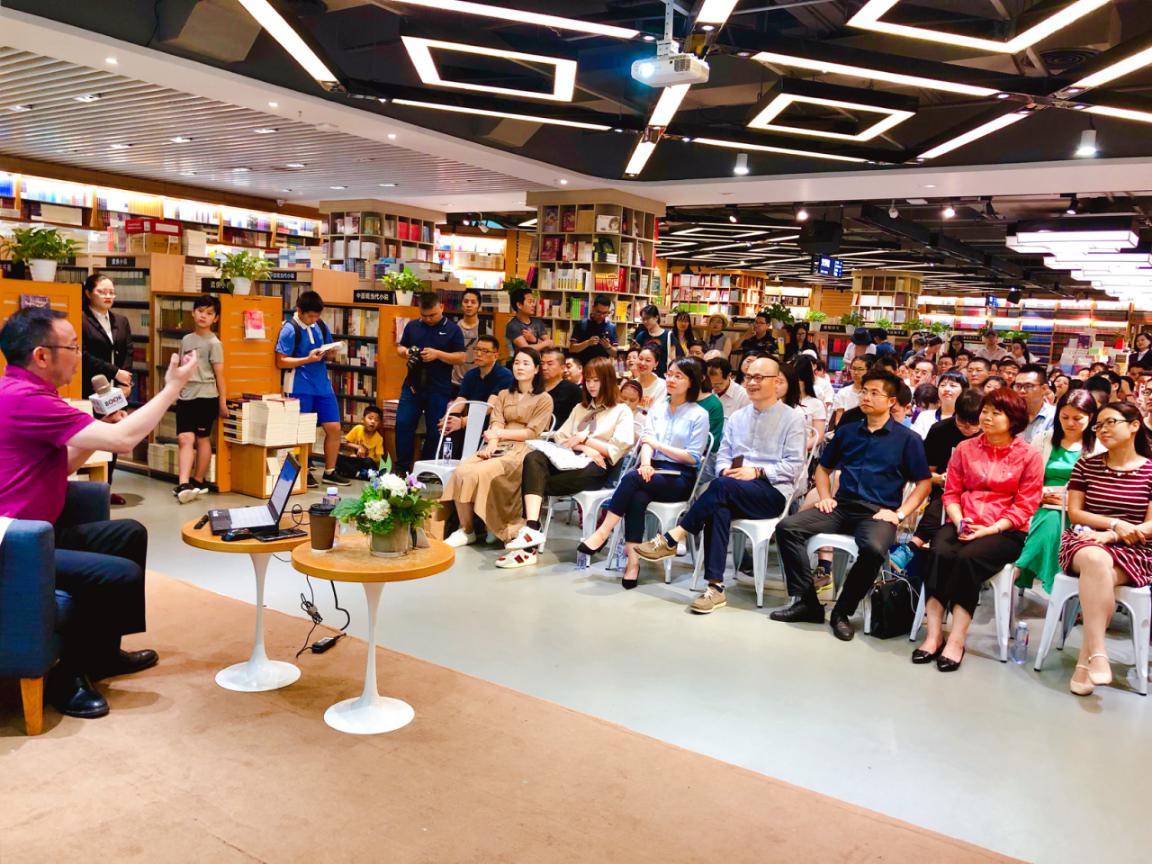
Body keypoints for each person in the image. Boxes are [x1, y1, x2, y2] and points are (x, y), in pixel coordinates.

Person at [0, 307, 198, 718]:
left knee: (129, 533)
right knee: (116, 573)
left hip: (40, 533)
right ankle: (67, 676)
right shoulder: (25, 399)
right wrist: (173, 387)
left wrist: (96, 428)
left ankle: (103, 654)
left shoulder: (27, 394)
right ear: (41, 356)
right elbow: (125, 440)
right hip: (17, 546)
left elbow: (62, 464)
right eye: (72, 347)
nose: (79, 355)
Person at [635, 355, 806, 612]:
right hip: (733, 488)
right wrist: (726, 470)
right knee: (718, 506)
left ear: (776, 381)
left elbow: (794, 466)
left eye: (759, 378)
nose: (751, 383)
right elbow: (723, 456)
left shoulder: (792, 418)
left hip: (771, 492)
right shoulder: (737, 417)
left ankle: (674, 537)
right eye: (748, 377)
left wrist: (757, 472)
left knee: (719, 487)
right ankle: (715, 587)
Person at [771, 370, 932, 639]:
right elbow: (823, 469)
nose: (866, 397)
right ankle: (808, 603)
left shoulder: (908, 439)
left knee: (873, 549)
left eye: (874, 393)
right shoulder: (847, 432)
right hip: (842, 507)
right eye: (864, 391)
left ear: (891, 401)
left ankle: (842, 612)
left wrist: (900, 514)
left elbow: (924, 483)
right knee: (788, 528)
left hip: (878, 513)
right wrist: (825, 496)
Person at [912, 389, 1043, 671]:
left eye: (996, 413)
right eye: (985, 411)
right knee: (938, 551)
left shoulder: (1029, 456)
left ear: (1013, 419)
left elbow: (1026, 505)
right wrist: (959, 520)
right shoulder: (965, 448)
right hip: (964, 520)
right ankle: (933, 635)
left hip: (1006, 530)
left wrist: (990, 529)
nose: (987, 417)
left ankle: (956, 639)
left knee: (967, 558)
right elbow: (951, 493)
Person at [578, 358, 710, 589]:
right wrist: (646, 463)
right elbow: (647, 440)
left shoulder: (699, 414)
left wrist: (659, 447)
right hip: (652, 471)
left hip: (680, 476)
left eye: (679, 376)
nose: (671, 379)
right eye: (669, 374)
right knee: (636, 497)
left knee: (632, 478)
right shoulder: (658, 407)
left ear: (692, 382)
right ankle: (633, 563)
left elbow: (692, 457)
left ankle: (603, 532)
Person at [498, 357, 635, 568]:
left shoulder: (621, 410)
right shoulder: (581, 408)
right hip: (572, 459)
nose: (591, 385)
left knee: (533, 481)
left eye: (596, 380)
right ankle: (532, 529)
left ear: (608, 381)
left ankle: (528, 545)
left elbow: (618, 448)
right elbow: (561, 437)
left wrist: (586, 440)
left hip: (599, 467)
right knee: (534, 458)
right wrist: (584, 446)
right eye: (588, 380)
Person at [1058, 401, 1152, 695]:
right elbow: (1075, 513)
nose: (1102, 430)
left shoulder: (1150, 470)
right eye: (1099, 425)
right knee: (1096, 559)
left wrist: (1113, 535)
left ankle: (1085, 661)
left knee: (1101, 575)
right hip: (1085, 540)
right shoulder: (1087, 465)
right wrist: (1113, 524)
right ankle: (1099, 652)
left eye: (1111, 422)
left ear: (1134, 425)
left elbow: (1150, 525)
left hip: (1134, 549)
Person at [441, 347, 553, 546]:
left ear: (536, 369)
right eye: (517, 363)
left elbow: (531, 432)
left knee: (482, 472)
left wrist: (498, 435)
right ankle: (466, 529)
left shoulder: (544, 399)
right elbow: (496, 422)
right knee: (461, 471)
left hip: (523, 449)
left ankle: (493, 524)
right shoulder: (504, 394)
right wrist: (491, 445)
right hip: (497, 444)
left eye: (526, 363)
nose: (520, 367)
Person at [1014, 390, 1098, 593]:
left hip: (1078, 509)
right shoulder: (1044, 439)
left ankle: (1020, 567)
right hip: (1040, 501)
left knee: (1054, 519)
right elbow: (1027, 478)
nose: (1070, 423)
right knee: (1050, 517)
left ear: (1091, 417)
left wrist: (1072, 500)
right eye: (1065, 417)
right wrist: (1041, 494)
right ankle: (1055, 587)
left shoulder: (1098, 447)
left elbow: (1099, 488)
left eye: (1077, 418)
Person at [275, 290, 350, 487]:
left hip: (322, 385)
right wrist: (307, 359)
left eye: (317, 316)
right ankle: (304, 470)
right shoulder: (289, 329)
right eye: (310, 316)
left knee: (334, 428)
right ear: (299, 310)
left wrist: (331, 353)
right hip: (299, 385)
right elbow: (281, 361)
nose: (314, 320)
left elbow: (327, 351)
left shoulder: (320, 325)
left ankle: (330, 471)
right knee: (303, 430)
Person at [392, 292, 466, 476]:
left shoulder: (453, 329)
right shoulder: (412, 326)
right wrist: (407, 352)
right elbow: (400, 348)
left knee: (435, 431)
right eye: (424, 316)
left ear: (441, 307)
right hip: (412, 386)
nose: (428, 319)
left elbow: (461, 357)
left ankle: (425, 469)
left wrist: (437, 354)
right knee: (403, 424)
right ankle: (401, 469)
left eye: (432, 315)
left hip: (438, 388)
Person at [80, 273, 133, 505]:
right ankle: (89, 491)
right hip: (90, 388)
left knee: (113, 438)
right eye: (102, 291)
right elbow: (84, 355)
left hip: (116, 390)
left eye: (111, 292)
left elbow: (128, 350)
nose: (108, 296)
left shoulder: (121, 320)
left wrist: (124, 382)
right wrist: (115, 372)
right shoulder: (81, 319)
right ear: (88, 293)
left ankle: (106, 488)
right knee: (91, 437)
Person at [909, 387, 984, 552]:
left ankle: (913, 545)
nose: (967, 428)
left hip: (979, 494)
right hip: (944, 490)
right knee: (944, 502)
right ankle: (914, 547)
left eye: (973, 424)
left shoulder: (989, 436)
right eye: (961, 422)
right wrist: (941, 479)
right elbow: (925, 472)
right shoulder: (940, 430)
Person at [173, 295, 227, 503]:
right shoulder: (186, 340)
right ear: (193, 313)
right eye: (201, 311)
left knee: (202, 438)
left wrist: (222, 402)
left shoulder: (215, 343)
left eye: (209, 313)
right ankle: (183, 483)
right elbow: (181, 368)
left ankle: (198, 479)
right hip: (185, 396)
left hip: (206, 397)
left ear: (216, 318)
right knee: (184, 438)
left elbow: (220, 375)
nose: (204, 316)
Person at [912, 371, 966, 439]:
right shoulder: (924, 416)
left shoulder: (966, 418)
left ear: (964, 390)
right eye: (942, 385)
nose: (946, 389)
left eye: (952, 386)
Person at [337, 405, 385, 479]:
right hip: (355, 460)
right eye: (370, 418)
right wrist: (358, 447)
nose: (373, 422)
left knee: (368, 461)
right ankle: (359, 474)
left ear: (379, 424)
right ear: (363, 419)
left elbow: (378, 459)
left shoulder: (379, 438)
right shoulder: (358, 428)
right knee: (337, 458)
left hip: (367, 463)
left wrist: (366, 456)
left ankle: (356, 473)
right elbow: (343, 442)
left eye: (376, 420)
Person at [568, 294, 618, 365]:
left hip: (602, 368)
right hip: (583, 366)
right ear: (593, 308)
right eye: (598, 312)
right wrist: (587, 343)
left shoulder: (611, 327)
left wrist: (608, 347)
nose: (601, 316)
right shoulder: (581, 324)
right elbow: (572, 349)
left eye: (605, 313)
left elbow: (615, 354)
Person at [1012, 363, 1055, 444]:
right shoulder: (1009, 414)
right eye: (1018, 386)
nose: (1022, 391)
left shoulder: (1054, 416)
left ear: (1044, 389)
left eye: (1028, 386)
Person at [540, 346, 581, 428]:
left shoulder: (573, 390)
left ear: (562, 368)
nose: (544, 368)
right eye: (542, 364)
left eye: (550, 364)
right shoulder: (534, 388)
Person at [793, 355, 828, 451]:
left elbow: (818, 436)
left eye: (798, 379)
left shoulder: (816, 404)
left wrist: (798, 450)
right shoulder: (782, 401)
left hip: (804, 451)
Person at [451, 288, 482, 394]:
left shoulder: (484, 328)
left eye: (473, 302)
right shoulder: (453, 328)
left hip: (478, 382)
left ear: (479, 306)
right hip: (455, 382)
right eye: (466, 301)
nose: (469, 305)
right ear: (461, 304)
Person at [505, 287, 552, 352]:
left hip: (541, 357)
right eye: (530, 302)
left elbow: (551, 345)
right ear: (519, 305)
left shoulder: (537, 322)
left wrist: (534, 339)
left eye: (533, 302)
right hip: (523, 358)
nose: (534, 305)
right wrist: (545, 343)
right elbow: (527, 349)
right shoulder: (513, 325)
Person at [630, 305, 673, 375]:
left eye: (647, 318)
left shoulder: (668, 335)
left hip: (663, 376)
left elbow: (674, 359)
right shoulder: (641, 336)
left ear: (656, 318)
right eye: (643, 319)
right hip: (644, 374)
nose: (645, 322)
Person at [832, 354, 871, 426]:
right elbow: (838, 421)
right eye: (853, 368)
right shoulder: (843, 392)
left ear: (868, 371)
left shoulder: (872, 394)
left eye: (860, 369)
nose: (856, 372)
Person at [633, 345, 667, 412]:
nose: (642, 363)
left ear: (656, 364)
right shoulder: (632, 384)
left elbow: (657, 412)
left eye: (648, 360)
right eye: (640, 359)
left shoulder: (662, 385)